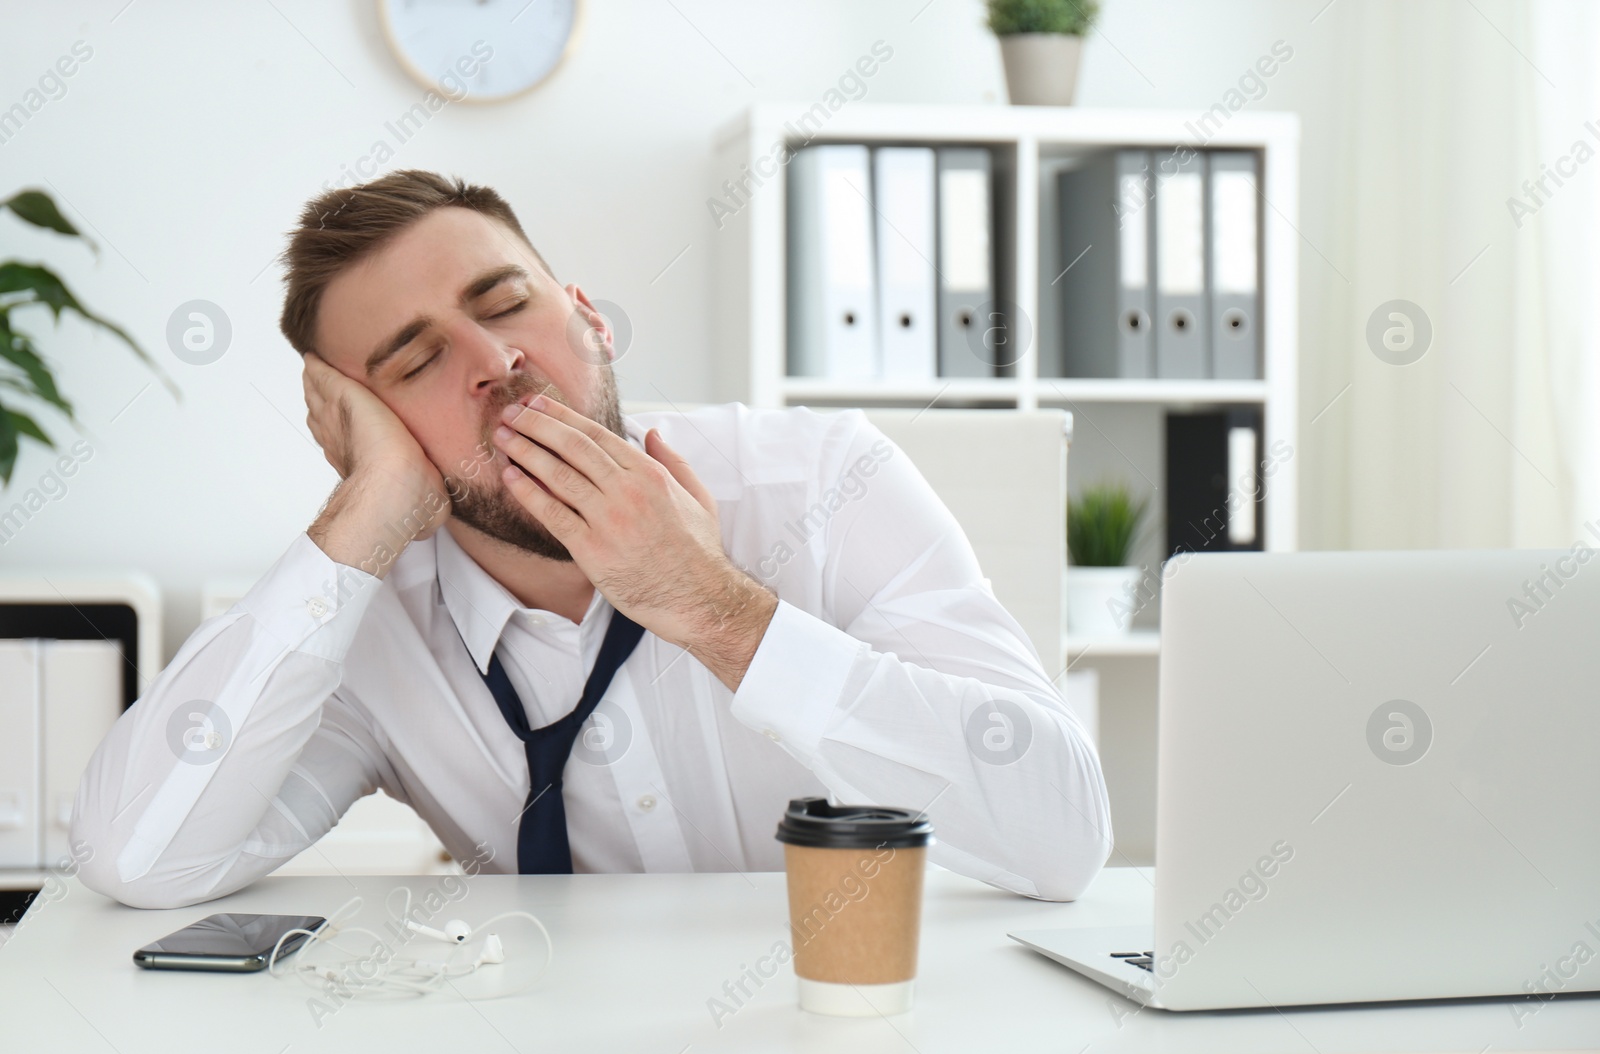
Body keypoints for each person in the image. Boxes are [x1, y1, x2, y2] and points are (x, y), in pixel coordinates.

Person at [71, 169, 1111, 910]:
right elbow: (139, 857)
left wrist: (714, 609)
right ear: (364, 432)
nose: (492, 361)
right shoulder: (368, 620)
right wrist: (361, 510)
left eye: (505, 303)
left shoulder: (823, 477)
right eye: (415, 360)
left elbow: (1062, 840)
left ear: (590, 322)